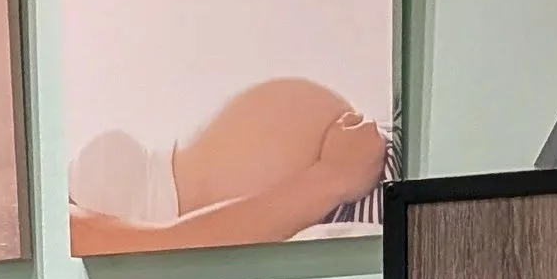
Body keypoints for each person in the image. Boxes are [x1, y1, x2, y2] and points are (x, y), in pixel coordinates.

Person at [68, 77, 388, 255]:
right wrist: (328, 181)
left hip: (362, 160)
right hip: (339, 193)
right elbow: (163, 252)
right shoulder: (42, 234)